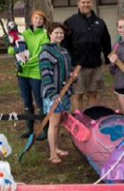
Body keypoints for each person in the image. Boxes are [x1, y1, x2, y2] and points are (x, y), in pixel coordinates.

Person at [64, 0, 112, 112]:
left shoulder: (100, 22)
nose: (86, 4)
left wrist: (107, 60)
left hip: (95, 65)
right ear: (78, 4)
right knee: (78, 95)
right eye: (83, 2)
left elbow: (106, 42)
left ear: (92, 3)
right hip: (77, 66)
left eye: (88, 2)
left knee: (93, 94)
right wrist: (69, 66)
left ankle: (91, 120)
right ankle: (79, 123)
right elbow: (65, 45)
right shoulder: (70, 22)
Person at [38, 22, 77, 164]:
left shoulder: (64, 51)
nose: (59, 35)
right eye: (56, 33)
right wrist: (53, 94)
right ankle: (52, 153)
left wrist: (72, 76)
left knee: (59, 122)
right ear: (50, 34)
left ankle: (56, 147)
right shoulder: (45, 52)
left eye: (61, 33)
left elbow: (67, 70)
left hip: (64, 93)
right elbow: (45, 75)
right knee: (53, 124)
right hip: (52, 94)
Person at [11, 11, 51, 139]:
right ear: (32, 19)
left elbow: (41, 53)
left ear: (43, 22)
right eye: (36, 18)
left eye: (41, 19)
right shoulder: (23, 34)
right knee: (26, 100)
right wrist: (13, 47)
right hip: (22, 73)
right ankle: (29, 128)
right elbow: (12, 48)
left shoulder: (45, 35)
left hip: (36, 73)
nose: (38, 20)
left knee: (39, 101)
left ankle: (44, 128)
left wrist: (26, 62)